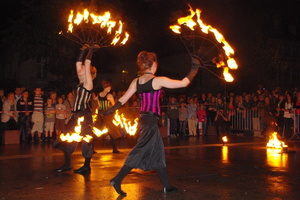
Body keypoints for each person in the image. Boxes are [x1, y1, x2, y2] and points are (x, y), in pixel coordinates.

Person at [102, 51, 200, 195]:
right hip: (150, 121)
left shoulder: (136, 81)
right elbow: (184, 83)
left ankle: (167, 185)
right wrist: (195, 67)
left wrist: (110, 111)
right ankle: (117, 179)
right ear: (154, 64)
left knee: (158, 152)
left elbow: (122, 100)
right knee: (140, 149)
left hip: (144, 120)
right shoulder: (157, 80)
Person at [53, 43, 98, 174]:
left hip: (84, 115)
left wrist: (91, 51)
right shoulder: (80, 81)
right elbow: (78, 63)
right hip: (76, 116)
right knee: (64, 137)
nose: (81, 68)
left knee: (86, 141)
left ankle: (87, 166)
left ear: (88, 72)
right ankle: (67, 164)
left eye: (84, 68)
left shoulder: (88, 83)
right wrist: (83, 51)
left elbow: (86, 63)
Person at [94, 79, 122, 153]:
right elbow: (113, 105)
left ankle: (91, 148)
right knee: (112, 131)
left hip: (100, 114)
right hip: (107, 115)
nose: (110, 89)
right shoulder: (109, 95)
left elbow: (99, 105)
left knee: (97, 130)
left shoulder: (99, 94)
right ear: (107, 87)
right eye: (109, 88)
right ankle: (115, 149)